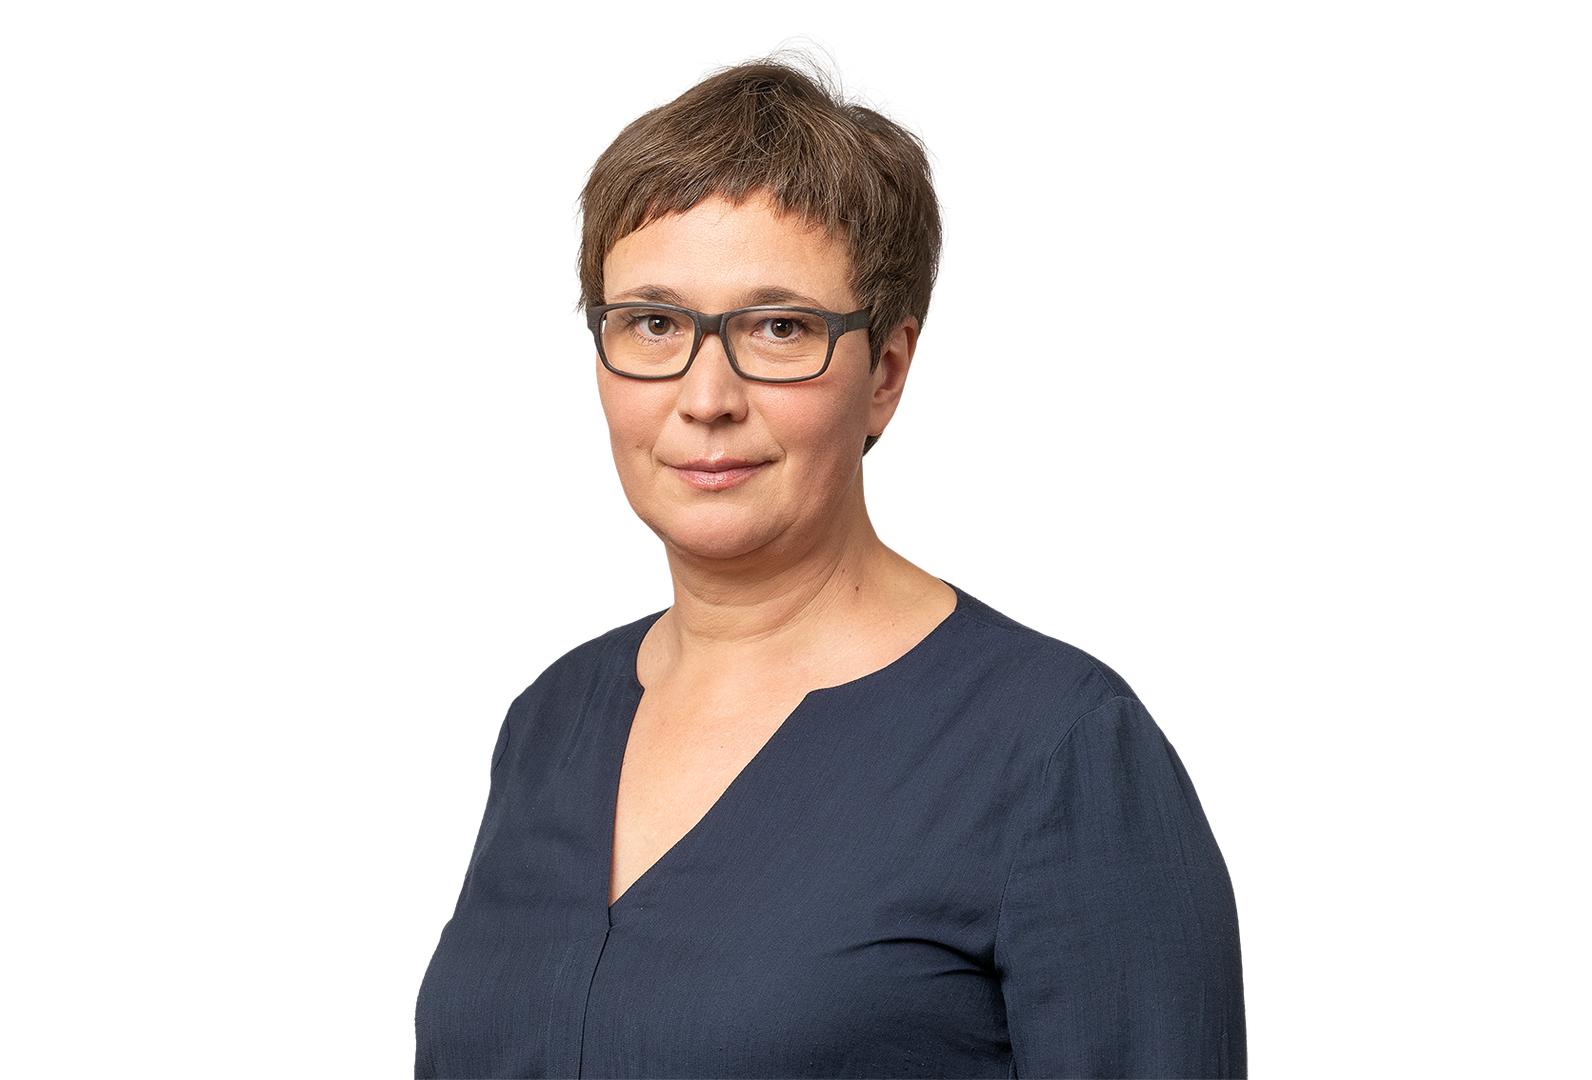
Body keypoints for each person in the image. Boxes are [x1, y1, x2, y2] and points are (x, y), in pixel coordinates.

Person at [415, 37, 1245, 1078]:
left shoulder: (1056, 753)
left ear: (886, 373)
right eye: (654, 322)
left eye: (777, 327)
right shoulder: (551, 724)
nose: (705, 397)